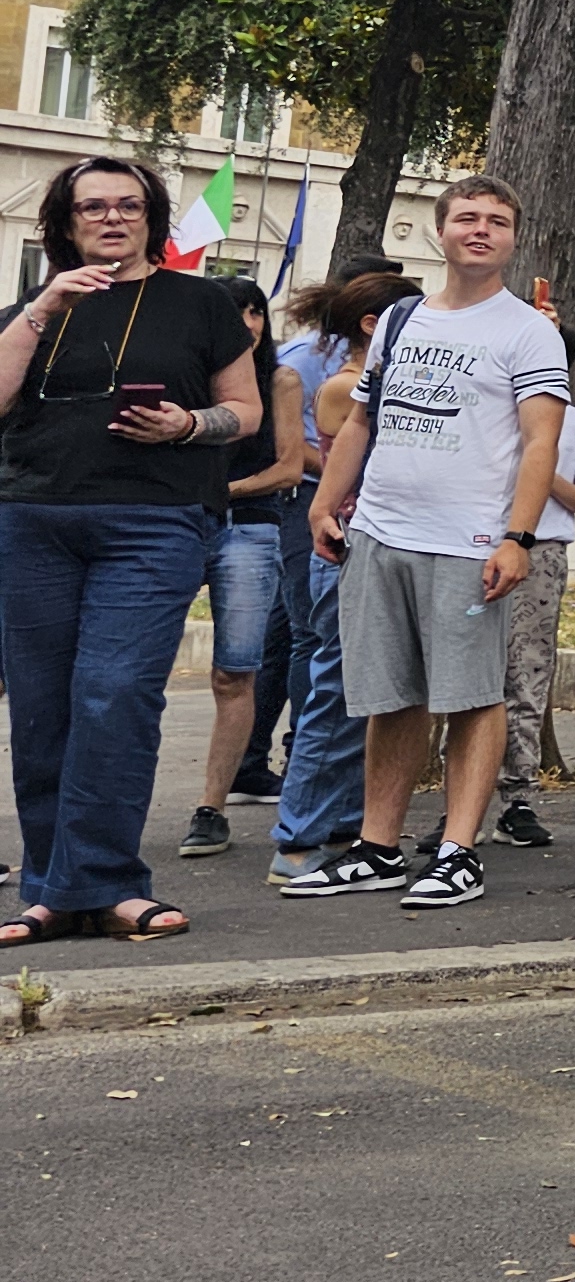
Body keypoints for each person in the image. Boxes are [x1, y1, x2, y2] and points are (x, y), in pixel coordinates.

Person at [0, 156, 266, 947]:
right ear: (66, 223)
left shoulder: (202, 303)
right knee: (43, 706)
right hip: (33, 519)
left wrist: (187, 426)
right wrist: (44, 307)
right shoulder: (35, 306)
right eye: (93, 209)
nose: (111, 219)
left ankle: (111, 882)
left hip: (153, 521)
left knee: (114, 694)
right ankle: (52, 889)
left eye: (127, 205)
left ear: (151, 215)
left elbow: (245, 414)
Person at [286, 177, 567, 910]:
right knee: (392, 696)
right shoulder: (403, 320)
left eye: (497, 221)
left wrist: (517, 537)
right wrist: (323, 505)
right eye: (467, 218)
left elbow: (542, 442)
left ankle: (458, 852)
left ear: (512, 238)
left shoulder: (526, 330)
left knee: (473, 698)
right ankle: (378, 848)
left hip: (469, 543)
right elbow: (360, 422)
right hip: (380, 533)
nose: (481, 230)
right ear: (439, 232)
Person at [265, 263, 414, 884]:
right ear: (374, 327)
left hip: (379, 544)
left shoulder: (374, 381)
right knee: (334, 693)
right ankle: (298, 834)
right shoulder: (346, 387)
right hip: (348, 546)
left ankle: (347, 822)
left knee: (368, 695)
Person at [173, 280, 305, 861]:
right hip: (175, 523)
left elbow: (290, 467)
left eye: (256, 310)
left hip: (249, 526)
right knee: (138, 666)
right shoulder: (186, 377)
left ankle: (212, 807)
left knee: (236, 670)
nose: (249, 321)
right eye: (236, 311)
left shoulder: (280, 379)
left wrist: (227, 489)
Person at [488, 330, 575, 848]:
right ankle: (456, 804)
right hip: (475, 546)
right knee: (466, 675)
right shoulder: (487, 419)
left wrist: (542, 470)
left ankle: (518, 798)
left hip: (541, 554)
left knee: (527, 672)